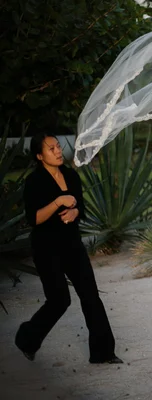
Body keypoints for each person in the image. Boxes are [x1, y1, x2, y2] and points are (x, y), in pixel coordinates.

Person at [15, 133, 122, 364]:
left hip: (72, 245)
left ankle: (103, 353)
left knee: (91, 296)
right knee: (59, 300)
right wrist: (58, 202)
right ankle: (26, 339)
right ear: (39, 156)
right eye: (51, 148)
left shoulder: (71, 175)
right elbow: (34, 218)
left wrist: (74, 211)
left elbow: (79, 207)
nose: (57, 151)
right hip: (46, 249)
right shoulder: (34, 182)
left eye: (57, 146)